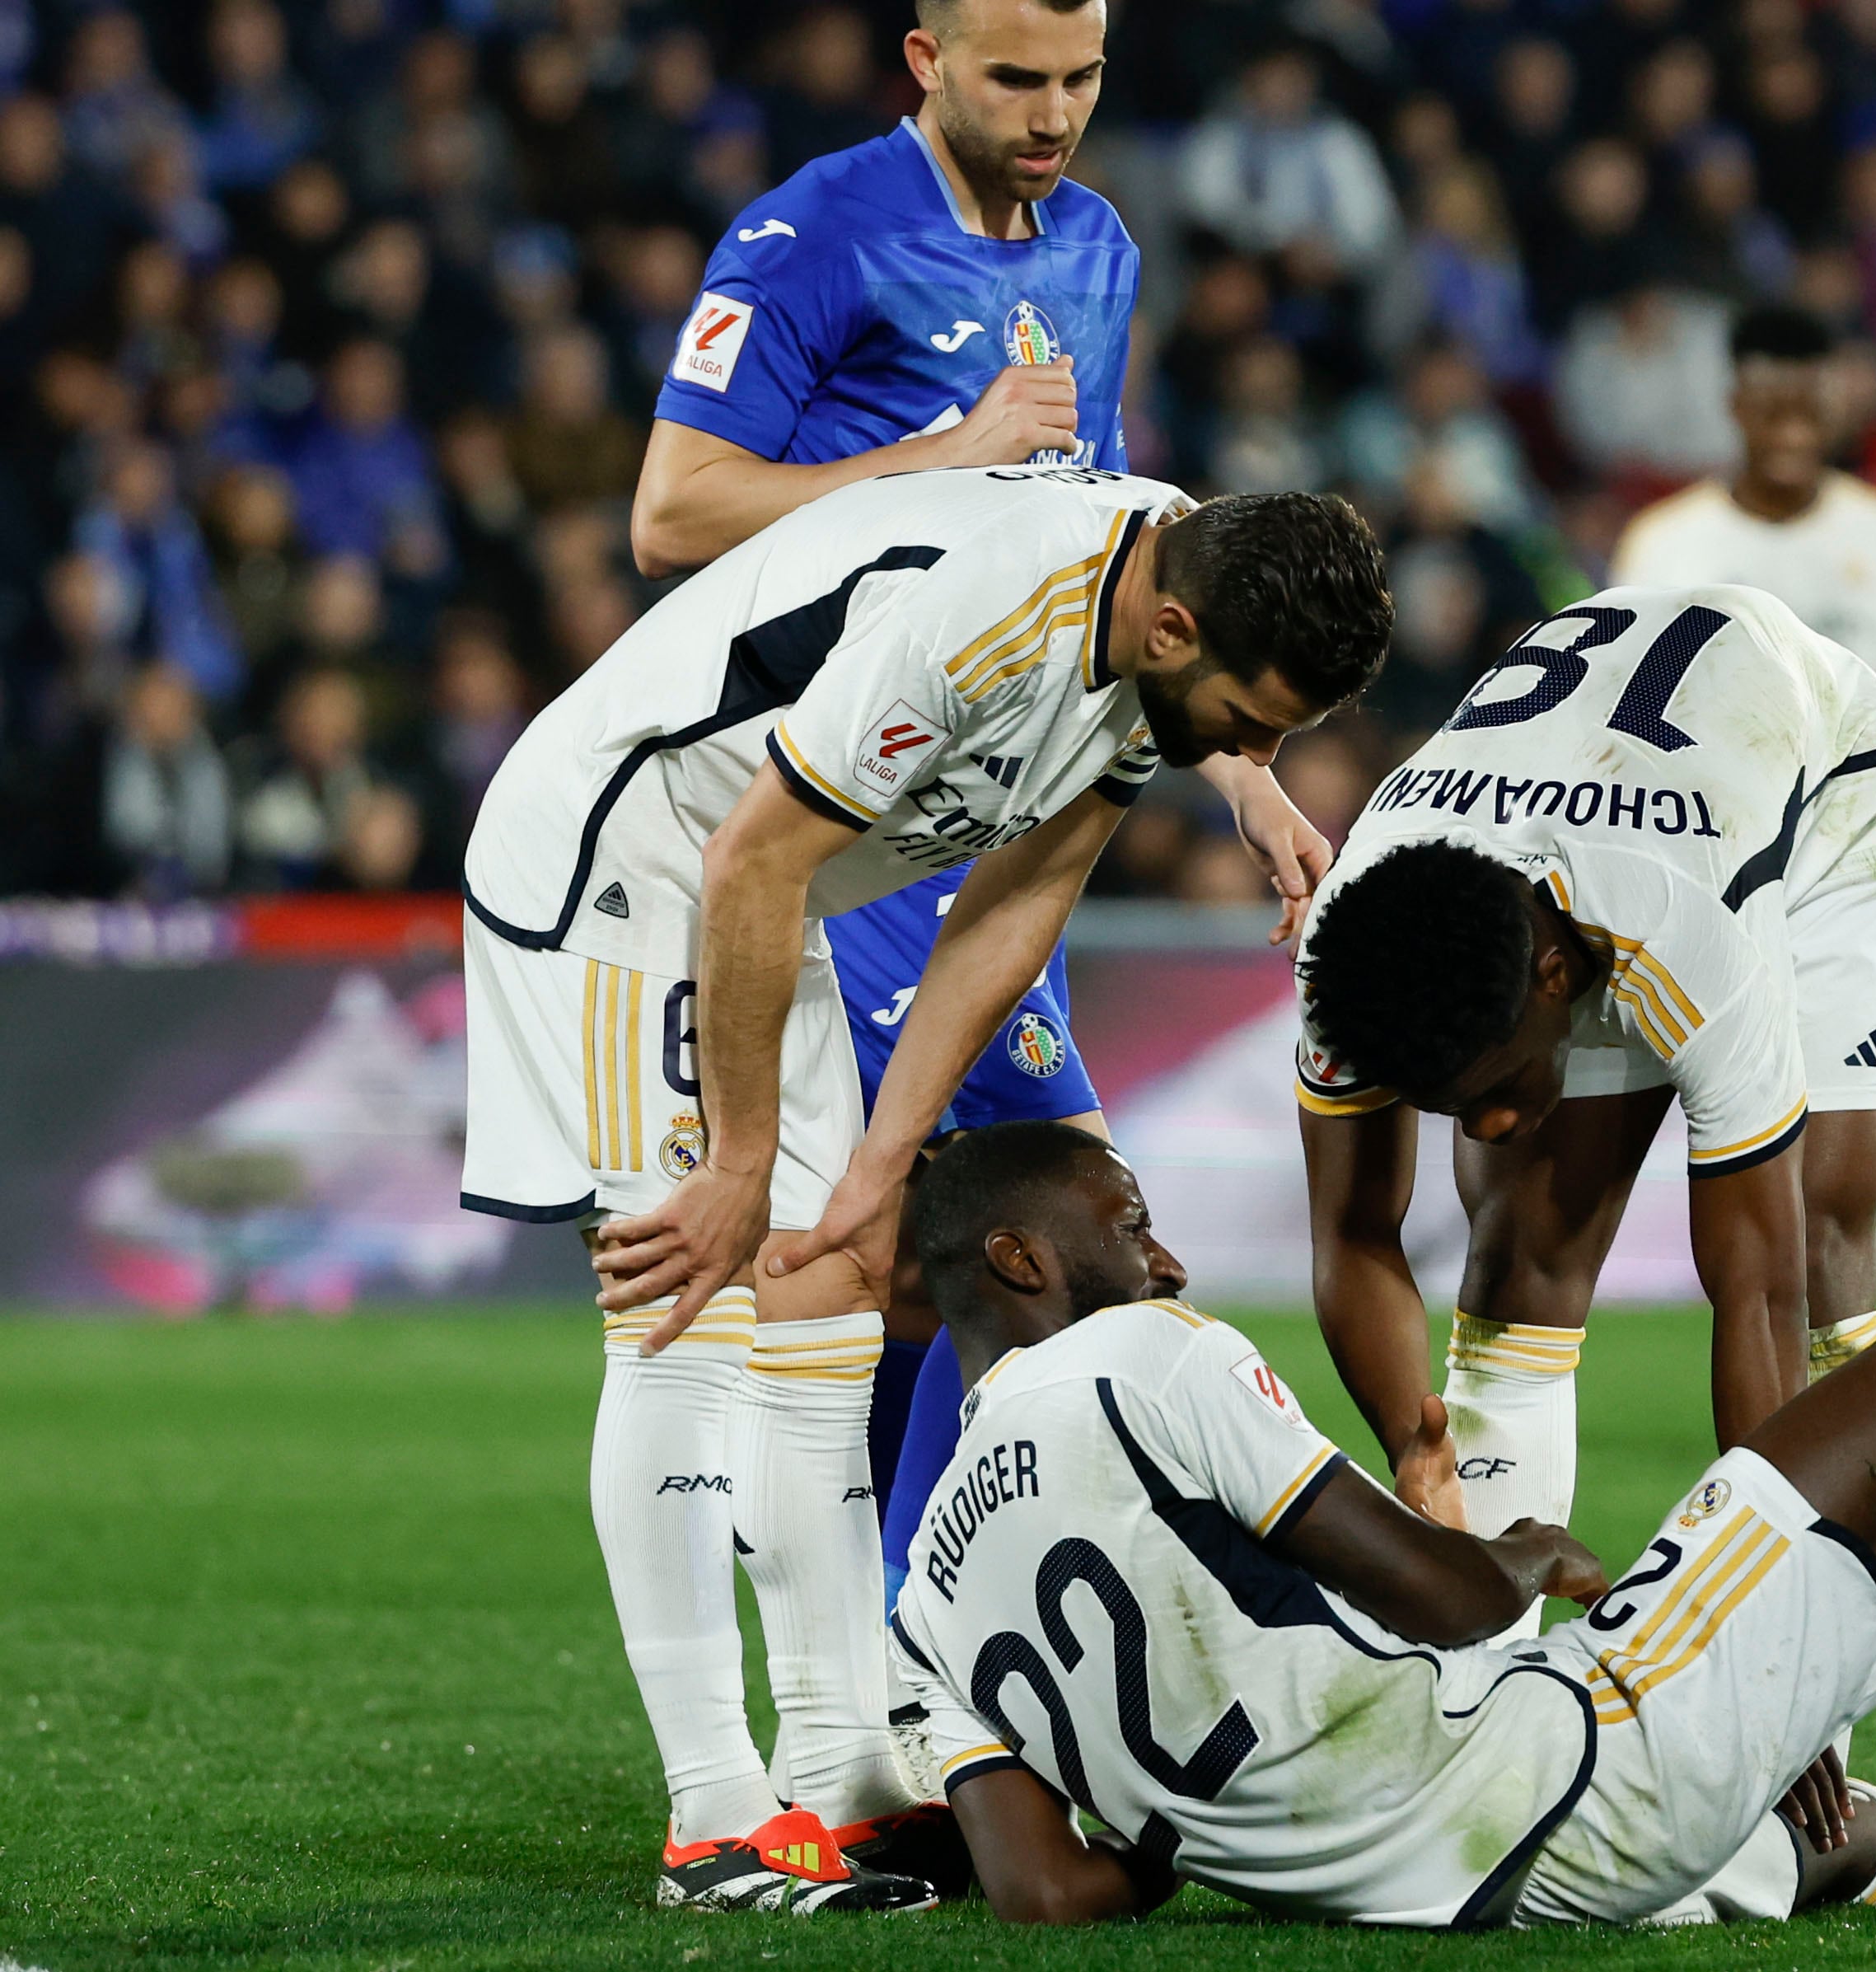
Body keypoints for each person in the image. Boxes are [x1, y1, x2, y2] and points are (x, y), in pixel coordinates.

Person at [458, 464, 1390, 1910]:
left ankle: (837, 1764)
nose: (1249, 758)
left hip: (772, 903)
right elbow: (750, 850)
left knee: (826, 1296)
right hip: (625, 864)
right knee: (690, 1297)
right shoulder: (983, 614)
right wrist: (746, 1164)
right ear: (1168, 630)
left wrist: (885, 1159)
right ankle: (713, 1813)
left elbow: (1011, 904)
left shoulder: (1162, 610)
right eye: (1250, 723)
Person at [884, 1120, 1876, 1929]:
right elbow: (1445, 1596)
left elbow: (1049, 1894)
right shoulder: (1141, 1355)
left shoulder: (923, 1606)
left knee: (1801, 1828)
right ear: (1022, 1260)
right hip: (1551, 1779)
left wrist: (1188, 1830)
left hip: (1424, 1887)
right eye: (1128, 1224)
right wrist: (1530, 1554)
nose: (1163, 1261)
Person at [614, 0, 1333, 1651]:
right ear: (923, 53)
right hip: (829, 800)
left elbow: (1126, 541)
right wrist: (945, 454)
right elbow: (673, 507)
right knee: (917, 1256)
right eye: (1017, 77)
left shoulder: (1095, 245)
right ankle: (897, 1645)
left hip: (995, 808)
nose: (1055, 111)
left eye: (1082, 76)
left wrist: (1235, 762)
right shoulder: (816, 233)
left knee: (1058, 1227)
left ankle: (959, 1624)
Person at [1290, 583, 1876, 1632]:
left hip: (1827, 801)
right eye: (1445, 1108)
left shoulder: (1688, 934)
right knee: (1519, 1254)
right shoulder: (1351, 955)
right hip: (1584, 804)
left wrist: (1767, 1616)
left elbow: (1755, 1292)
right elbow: (1354, 1229)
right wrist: (1414, 1440)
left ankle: (1817, 1664)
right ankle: (1480, 1690)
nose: (1486, 1128)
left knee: (1814, 1256)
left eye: (1492, 1092)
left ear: (1553, 978)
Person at [1608, 304, 1876, 939]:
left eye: (1808, 412)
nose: (1791, 433)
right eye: (1772, 412)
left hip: (1859, 843)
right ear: (1735, 407)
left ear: (1835, 410)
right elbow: (1621, 715)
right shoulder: (1663, 543)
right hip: (1708, 841)